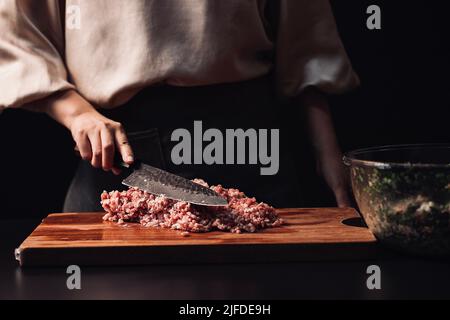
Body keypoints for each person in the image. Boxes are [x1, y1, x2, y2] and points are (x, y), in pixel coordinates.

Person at [0, 0, 359, 211]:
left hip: (251, 148)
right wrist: (76, 114)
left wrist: (328, 151)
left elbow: (305, 31)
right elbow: (16, 36)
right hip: (119, 155)